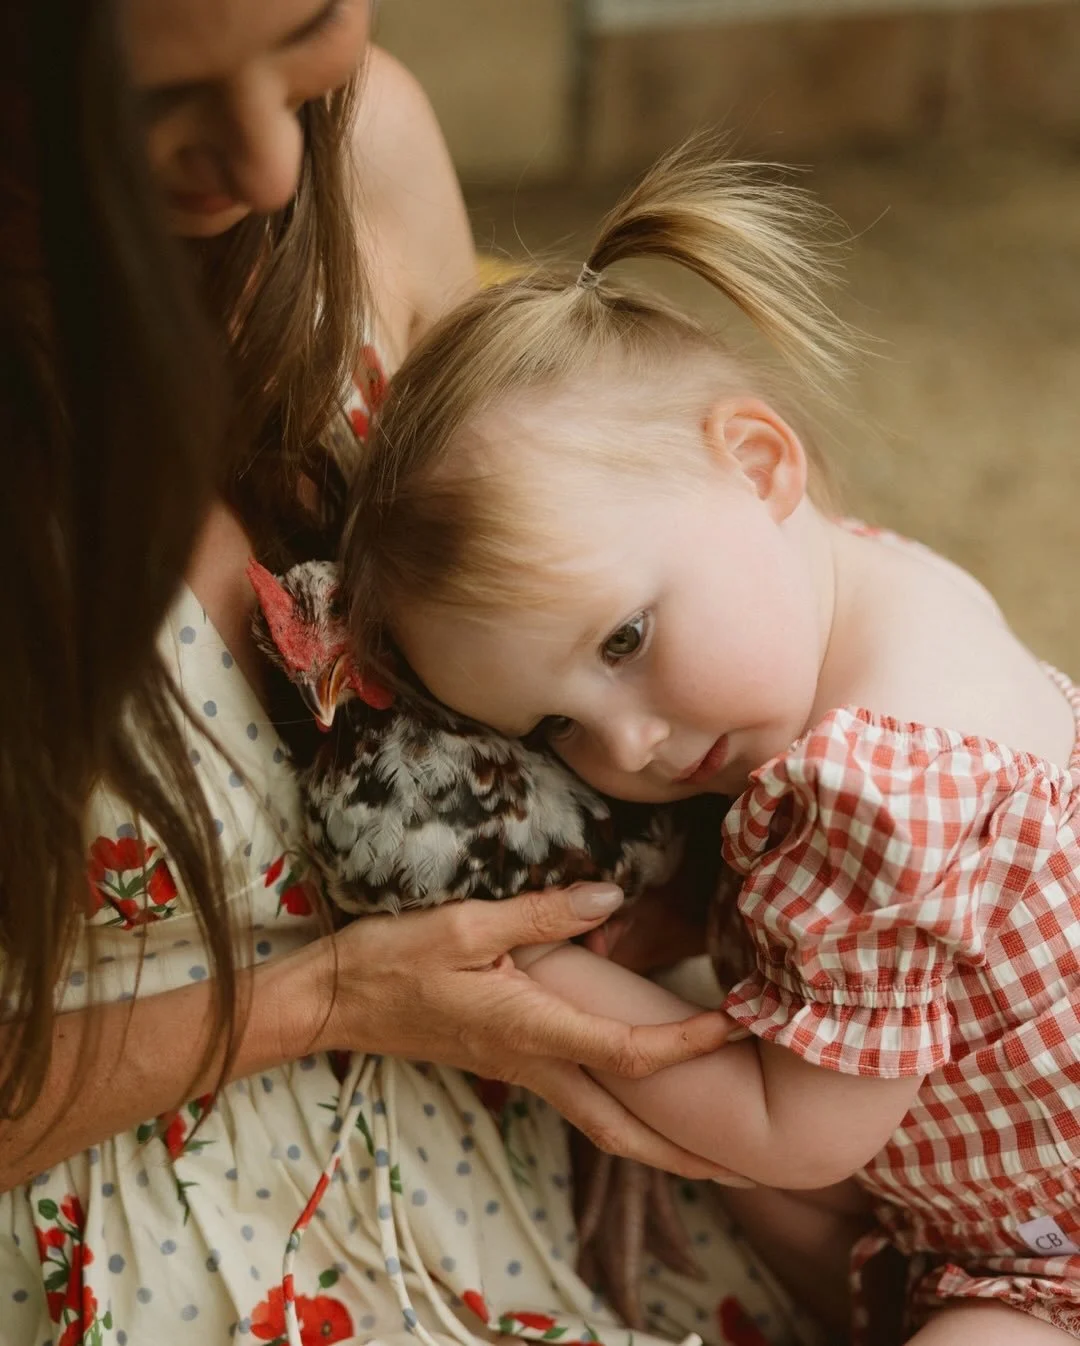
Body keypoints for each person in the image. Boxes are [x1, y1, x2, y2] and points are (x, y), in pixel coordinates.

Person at [0, 4, 816, 1344]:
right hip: (156, 1231)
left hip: (562, 1129)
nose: (268, 160)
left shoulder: (365, 147)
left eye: (308, 27)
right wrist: (323, 997)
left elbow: (633, 539)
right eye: (142, 102)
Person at [341, 137, 1080, 1346]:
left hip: (1043, 1253)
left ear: (757, 460)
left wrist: (540, 974)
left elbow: (806, 1131)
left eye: (625, 637)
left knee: (753, 1156)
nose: (626, 741)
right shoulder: (882, 581)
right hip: (992, 1162)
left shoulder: (868, 786)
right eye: (553, 726)